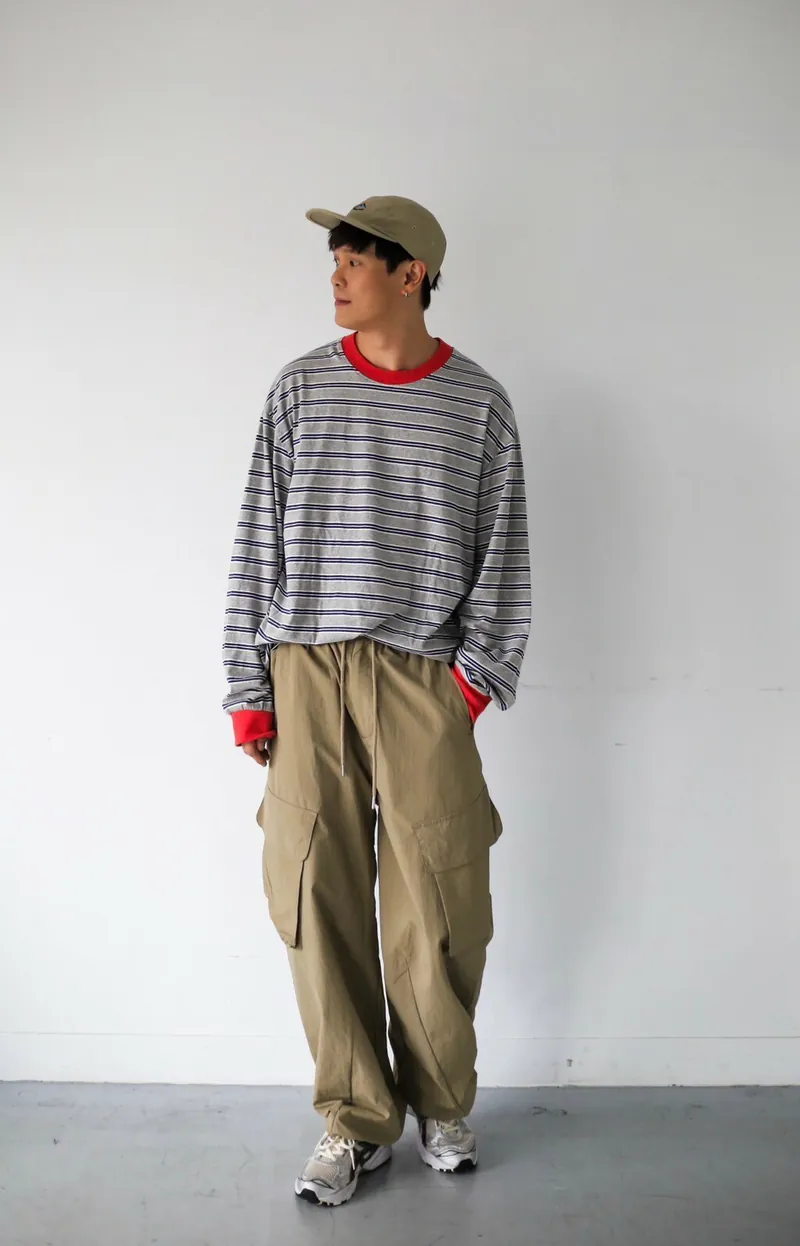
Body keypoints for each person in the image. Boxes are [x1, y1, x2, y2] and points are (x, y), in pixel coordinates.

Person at [221, 195, 531, 1207]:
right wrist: (249, 686)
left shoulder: (478, 404)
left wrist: (467, 685)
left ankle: (441, 1099)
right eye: (336, 258)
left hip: (421, 675)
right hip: (305, 668)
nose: (337, 273)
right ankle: (355, 1120)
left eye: (356, 258)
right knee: (314, 891)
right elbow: (255, 539)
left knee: (440, 896)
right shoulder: (300, 388)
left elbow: (504, 557)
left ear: (413, 275)